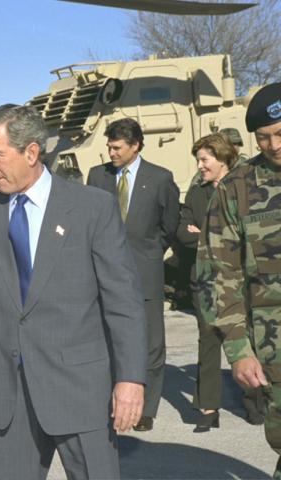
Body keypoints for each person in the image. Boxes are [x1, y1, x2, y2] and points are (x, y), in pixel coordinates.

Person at [0, 104, 147, 480]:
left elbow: (123, 302)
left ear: (32, 152)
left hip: (80, 389)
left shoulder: (91, 208)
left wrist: (130, 379)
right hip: (5, 393)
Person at [204, 82, 281, 479]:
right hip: (274, 345)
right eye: (264, 137)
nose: (274, 144)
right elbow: (221, 276)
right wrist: (238, 350)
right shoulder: (237, 188)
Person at [87, 118, 180, 431]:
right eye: (109, 147)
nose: (111, 153)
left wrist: (151, 253)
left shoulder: (160, 178)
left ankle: (146, 409)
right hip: (105, 273)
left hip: (146, 271)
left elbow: (169, 226)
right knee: (108, 339)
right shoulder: (97, 177)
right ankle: (113, 402)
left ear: (135, 145)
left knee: (151, 342)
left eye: (117, 147)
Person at [178, 133, 264, 432]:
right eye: (198, 160)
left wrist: (203, 231)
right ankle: (208, 408)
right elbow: (182, 232)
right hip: (204, 282)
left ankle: (255, 402)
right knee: (208, 344)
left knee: (249, 342)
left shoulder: (245, 190)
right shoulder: (197, 193)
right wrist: (208, 234)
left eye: (205, 159)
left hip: (239, 283)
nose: (200, 166)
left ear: (223, 158)